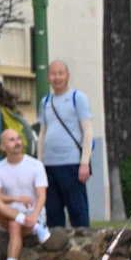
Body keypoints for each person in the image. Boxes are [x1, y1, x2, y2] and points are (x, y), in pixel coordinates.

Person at [0, 128, 49, 260]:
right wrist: (16, 199)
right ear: (2, 147)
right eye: (11, 140)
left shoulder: (35, 165)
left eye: (18, 139)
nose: (17, 142)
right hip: (10, 214)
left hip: (32, 214)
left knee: (15, 225)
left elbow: (42, 195)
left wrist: (34, 216)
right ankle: (36, 227)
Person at [37, 59, 94, 228]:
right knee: (53, 211)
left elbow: (88, 131)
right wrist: (39, 162)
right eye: (53, 73)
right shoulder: (45, 102)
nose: (57, 77)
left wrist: (84, 162)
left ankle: (84, 248)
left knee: (78, 211)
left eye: (60, 73)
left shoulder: (78, 98)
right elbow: (42, 133)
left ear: (67, 75)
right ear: (48, 77)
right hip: (50, 165)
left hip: (72, 164)